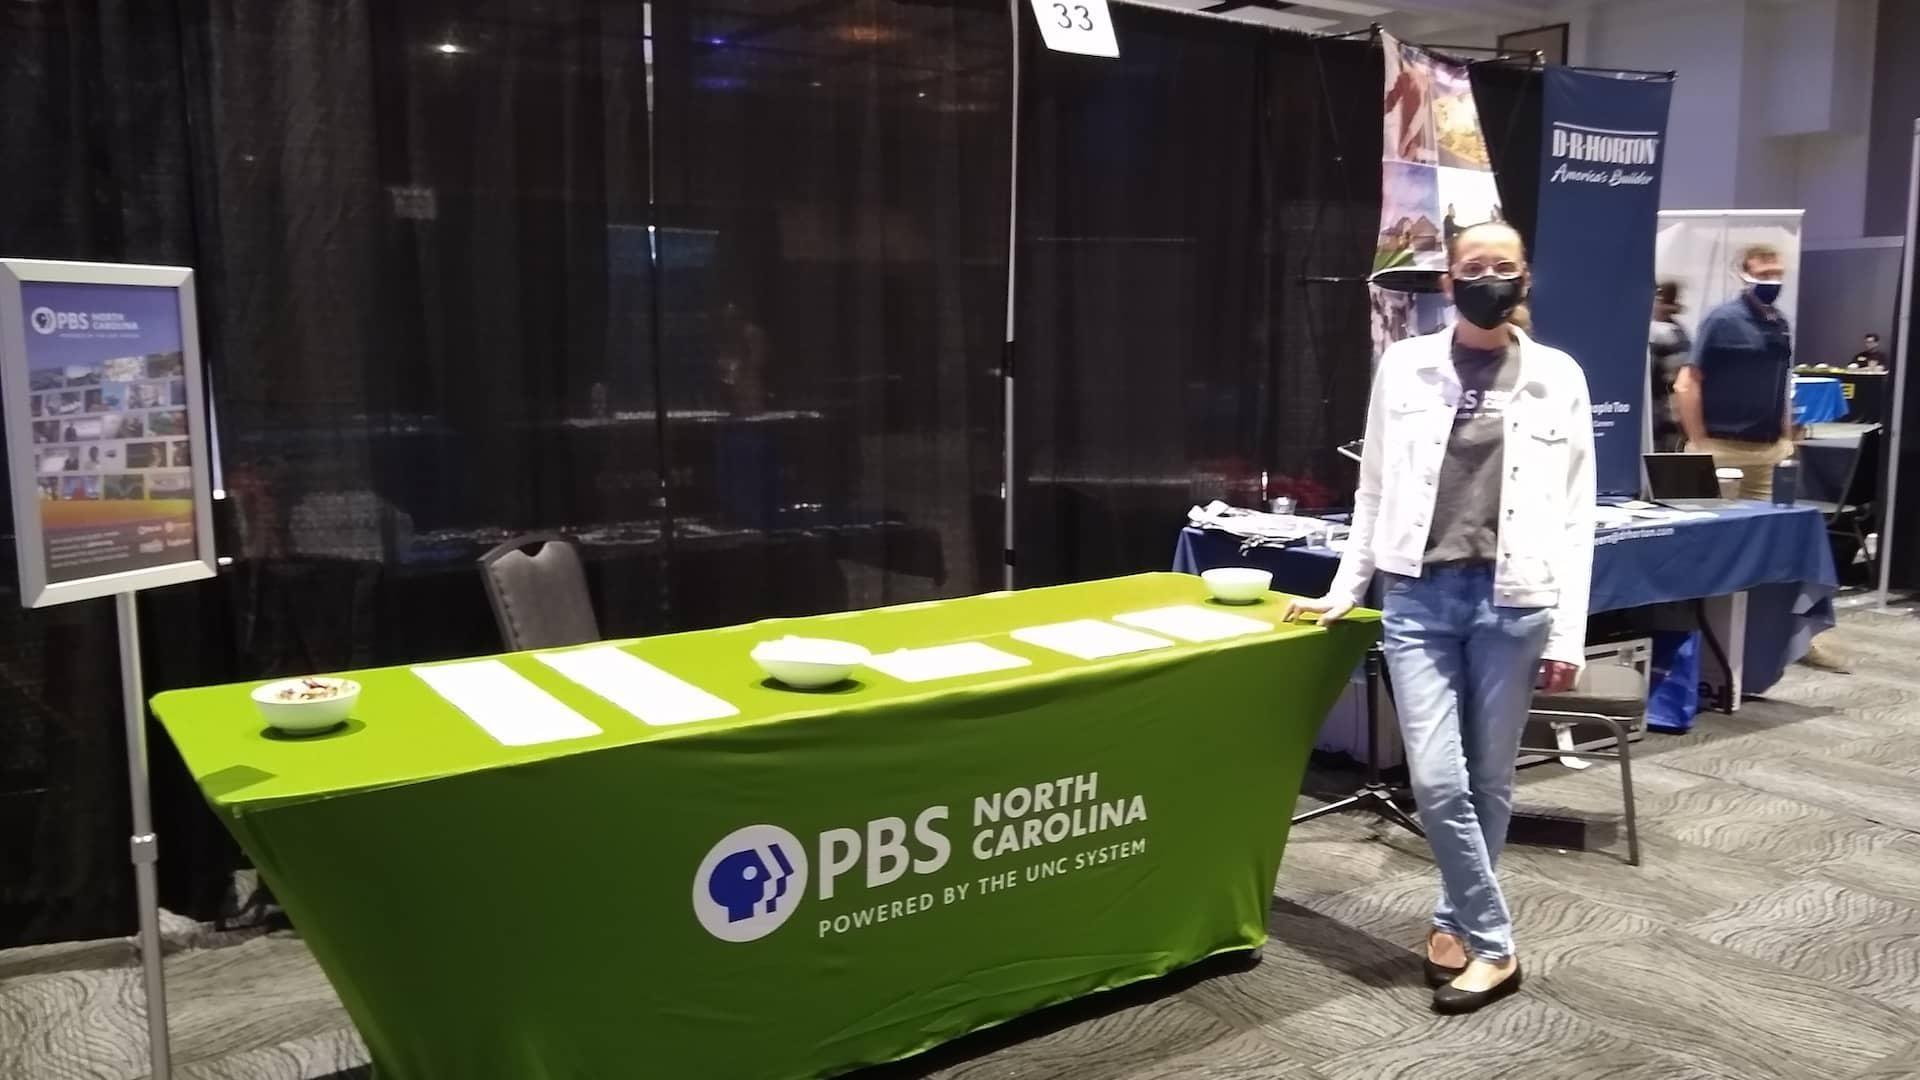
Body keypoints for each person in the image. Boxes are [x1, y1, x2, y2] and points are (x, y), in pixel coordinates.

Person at [1285, 222, 1595, 1015]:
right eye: (1472, 266)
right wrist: (1344, 590)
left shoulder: (1559, 375)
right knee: (1435, 778)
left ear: (1525, 276)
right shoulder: (1406, 363)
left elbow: (1574, 514)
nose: (1488, 276)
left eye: (1504, 265)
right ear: (1449, 280)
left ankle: (1455, 919)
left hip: (1515, 601)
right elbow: (1376, 489)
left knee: (1490, 781)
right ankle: (1497, 944)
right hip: (1419, 597)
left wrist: (1568, 632)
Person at [1674, 244, 1793, 498]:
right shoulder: (1722, 320)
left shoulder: (1779, 324)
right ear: (1743, 275)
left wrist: (1786, 438)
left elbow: (1779, 382)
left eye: (1777, 274)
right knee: (1716, 530)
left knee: (1769, 530)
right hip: (1723, 449)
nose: (1773, 281)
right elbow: (1686, 384)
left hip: (1769, 452)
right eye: (1764, 275)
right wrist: (1699, 443)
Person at [1649, 281, 1691, 452]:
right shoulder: (1677, 333)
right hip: (1664, 420)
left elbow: (1678, 385)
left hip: (1661, 421)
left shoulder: (1667, 335)